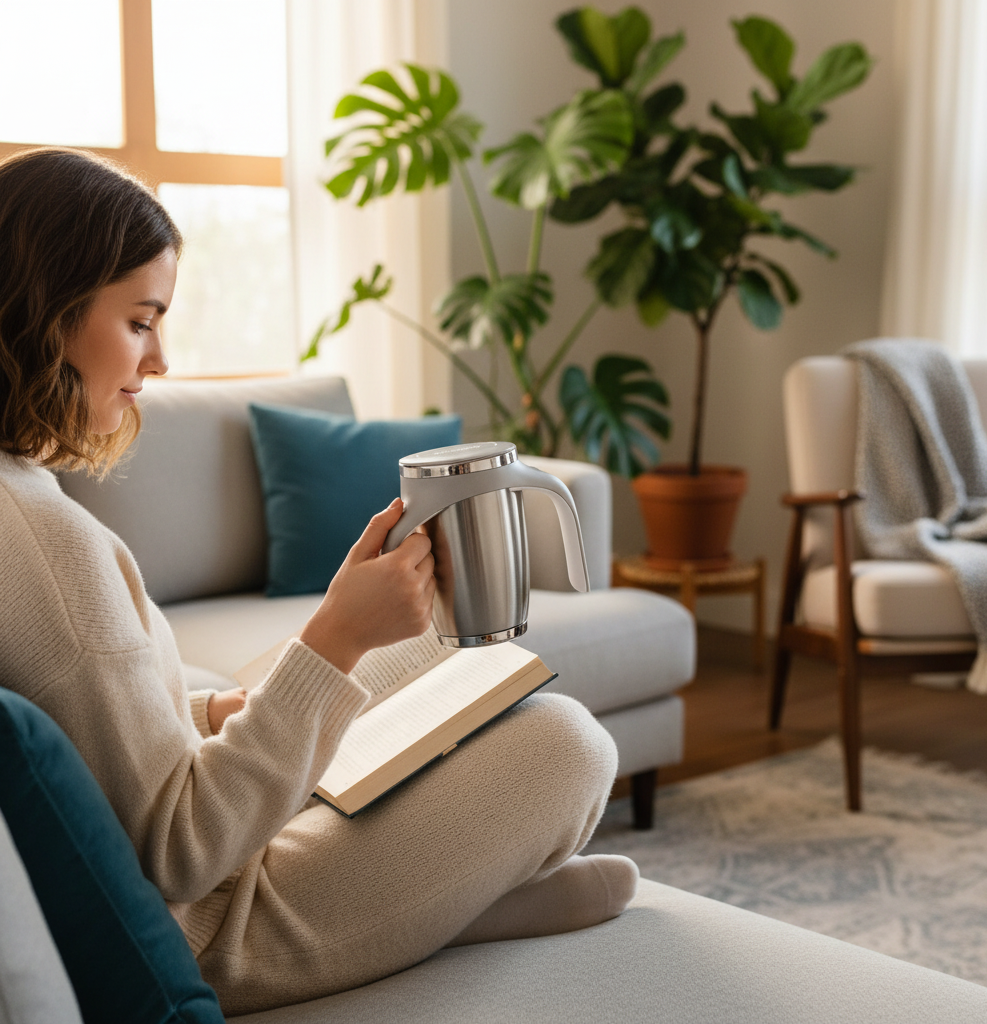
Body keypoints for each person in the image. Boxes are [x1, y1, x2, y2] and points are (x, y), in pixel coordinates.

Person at [0, 147, 638, 1016]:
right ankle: (457, 911)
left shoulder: (21, 498)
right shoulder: (45, 543)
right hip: (225, 923)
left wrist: (212, 714)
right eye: (141, 320)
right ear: (47, 310)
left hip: (209, 845)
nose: (159, 361)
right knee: (567, 743)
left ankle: (443, 901)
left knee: (425, 649)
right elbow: (179, 854)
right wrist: (336, 636)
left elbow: (91, 747)